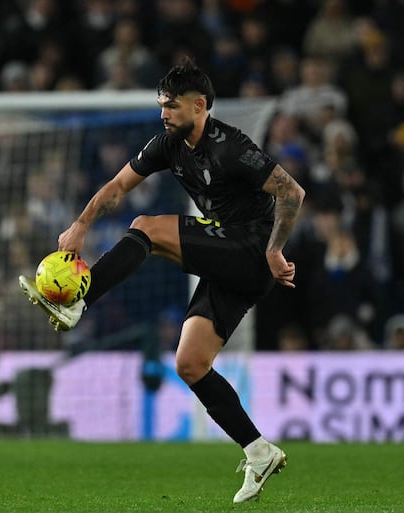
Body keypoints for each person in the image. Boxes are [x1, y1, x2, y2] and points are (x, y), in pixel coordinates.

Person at [19, 57, 305, 503]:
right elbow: (117, 186)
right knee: (190, 363)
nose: (164, 114)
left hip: (251, 251)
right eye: (161, 106)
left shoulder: (231, 146)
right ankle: (258, 450)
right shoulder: (167, 145)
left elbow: (292, 191)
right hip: (228, 261)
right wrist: (81, 224)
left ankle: (79, 302)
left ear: (200, 105)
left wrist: (273, 250)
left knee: (147, 228)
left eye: (172, 106)